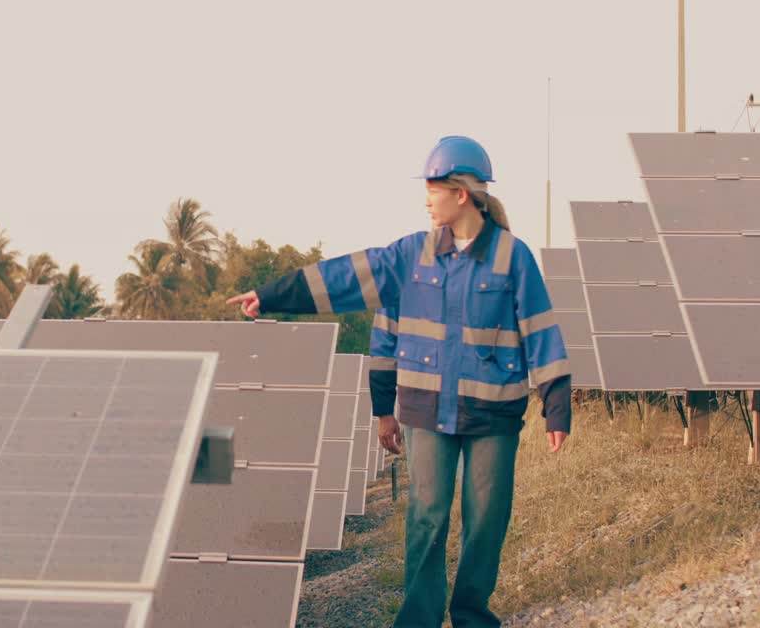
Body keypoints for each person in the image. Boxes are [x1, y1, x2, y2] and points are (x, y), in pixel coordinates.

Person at [227, 135, 571, 628]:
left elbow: (540, 329)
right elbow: (344, 276)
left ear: (463, 193)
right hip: (427, 411)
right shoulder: (411, 255)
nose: (426, 199)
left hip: (493, 414)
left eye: (433, 188)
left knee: (487, 520)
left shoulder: (513, 258)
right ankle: (419, 618)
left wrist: (556, 405)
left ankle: (472, 613)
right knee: (427, 517)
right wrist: (272, 294)